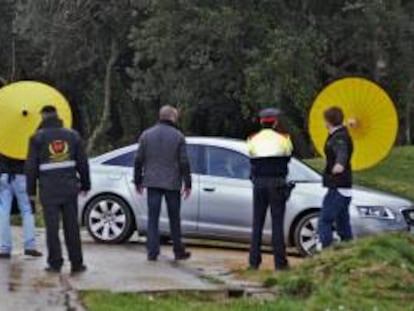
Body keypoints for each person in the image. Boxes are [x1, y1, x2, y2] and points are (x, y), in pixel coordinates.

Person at [25, 105, 90, 273]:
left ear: (43, 117)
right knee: (72, 227)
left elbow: (31, 168)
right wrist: (85, 184)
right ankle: (77, 263)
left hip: (49, 190)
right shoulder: (73, 135)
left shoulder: (36, 139)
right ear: (57, 116)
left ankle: (55, 263)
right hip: (69, 188)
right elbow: (83, 163)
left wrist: (31, 192)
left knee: (52, 229)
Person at [134, 105, 192, 262]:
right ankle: (178, 251)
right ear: (173, 117)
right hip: (172, 183)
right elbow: (184, 162)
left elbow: (138, 159)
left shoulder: (146, 135)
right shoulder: (178, 136)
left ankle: (152, 252)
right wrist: (188, 183)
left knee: (153, 218)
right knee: (174, 218)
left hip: (152, 182)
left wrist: (138, 180)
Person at [247, 108, 293, 271]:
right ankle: (280, 263)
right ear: (275, 122)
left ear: (261, 122)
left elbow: (251, 157)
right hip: (277, 183)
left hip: (259, 184)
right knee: (277, 224)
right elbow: (288, 156)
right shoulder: (284, 138)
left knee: (257, 223)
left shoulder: (252, 139)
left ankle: (254, 262)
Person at [318, 106, 353, 248]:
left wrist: (340, 164)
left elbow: (342, 151)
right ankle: (350, 253)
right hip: (343, 186)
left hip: (338, 186)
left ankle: (327, 253)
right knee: (343, 225)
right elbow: (341, 137)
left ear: (328, 122)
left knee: (325, 221)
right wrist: (347, 124)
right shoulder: (340, 133)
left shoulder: (339, 137)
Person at [0, 154, 43, 258]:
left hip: (3, 175)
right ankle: (30, 247)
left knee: (3, 211)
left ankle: (4, 248)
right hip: (23, 175)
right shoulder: (24, 138)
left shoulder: (3, 137)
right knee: (27, 210)